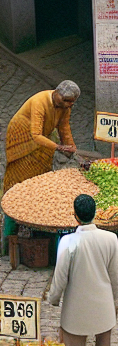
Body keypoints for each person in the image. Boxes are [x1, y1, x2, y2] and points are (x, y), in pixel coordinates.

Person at [45, 194, 118, 346]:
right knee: (104, 345)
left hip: (76, 308)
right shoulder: (111, 239)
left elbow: (60, 277)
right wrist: (115, 300)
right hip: (103, 304)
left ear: (75, 216)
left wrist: (53, 298)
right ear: (95, 213)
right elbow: (114, 275)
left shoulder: (68, 241)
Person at [2, 81, 80, 243]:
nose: (69, 104)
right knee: (18, 180)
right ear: (57, 94)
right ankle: (11, 228)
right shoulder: (40, 101)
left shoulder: (65, 106)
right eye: (66, 100)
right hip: (23, 136)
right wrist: (59, 147)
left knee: (40, 177)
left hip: (44, 139)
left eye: (72, 102)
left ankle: (34, 218)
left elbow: (64, 127)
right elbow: (36, 134)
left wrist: (72, 147)